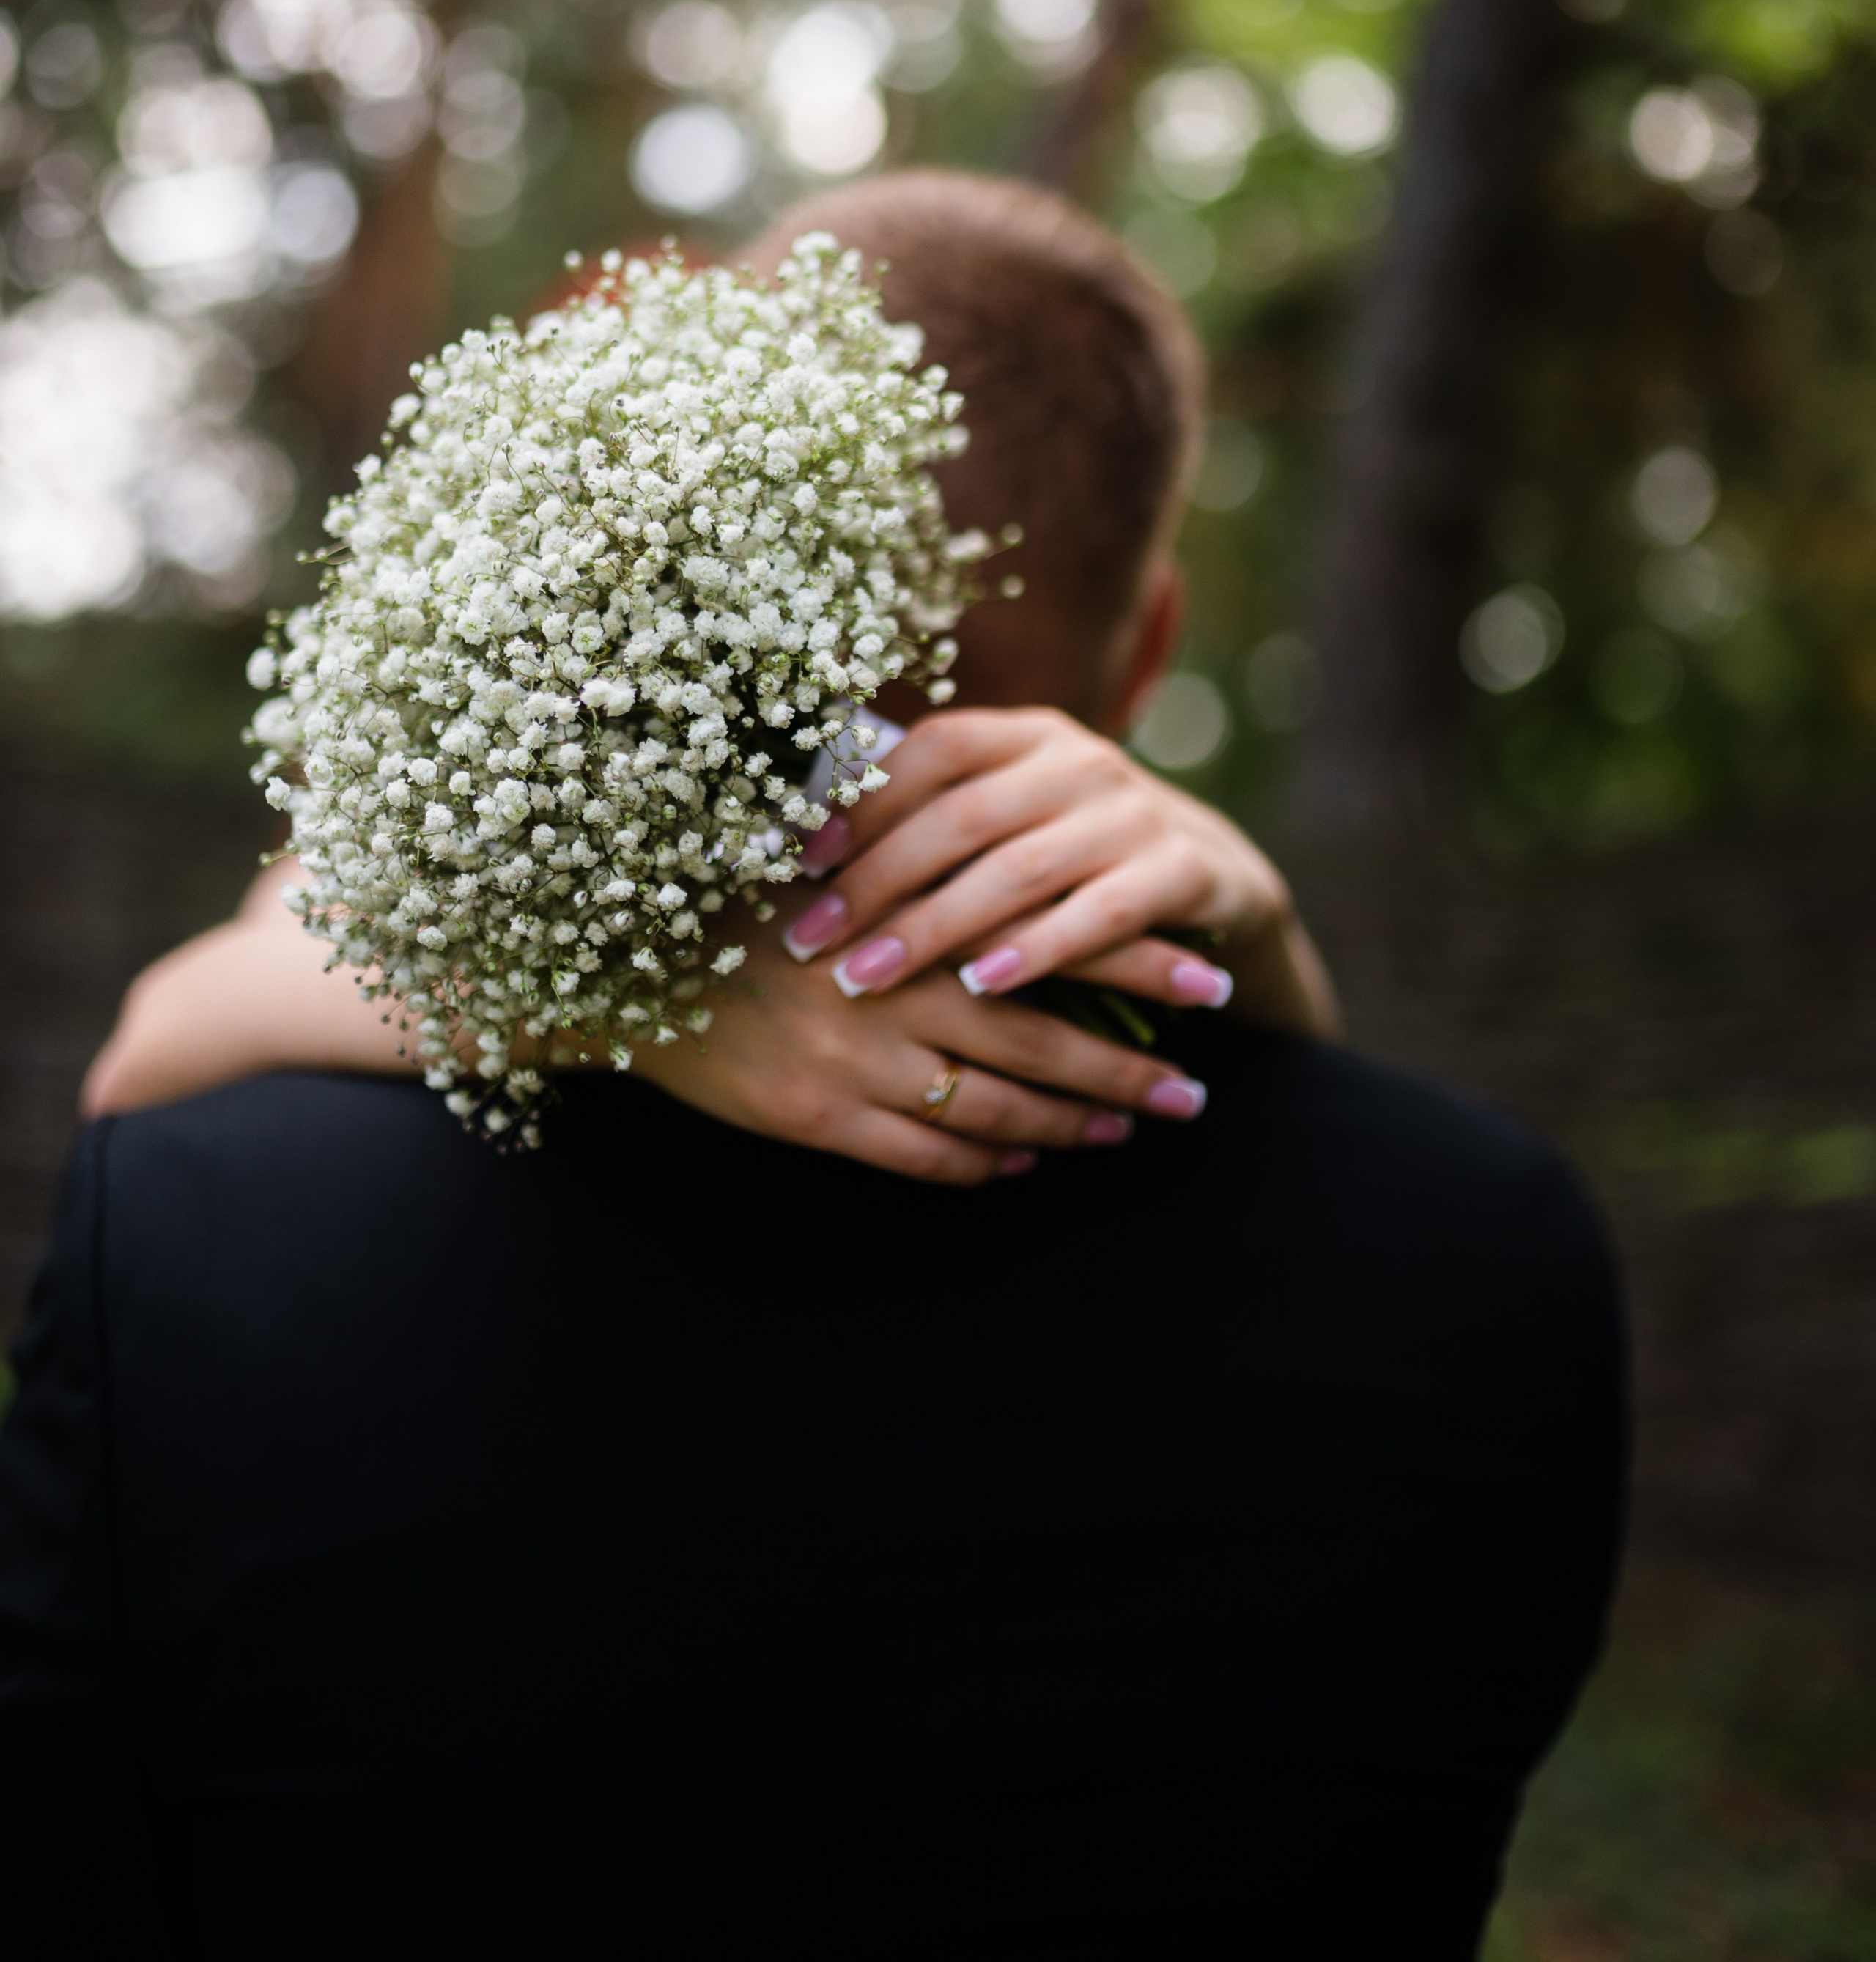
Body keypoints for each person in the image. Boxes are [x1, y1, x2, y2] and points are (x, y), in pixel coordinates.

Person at [0, 172, 1625, 1959]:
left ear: (689, 548)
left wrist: (607, 992)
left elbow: (200, 1003)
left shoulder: (197, 1234)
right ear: (1151, 643)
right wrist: (1256, 947)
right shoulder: (1498, 1254)